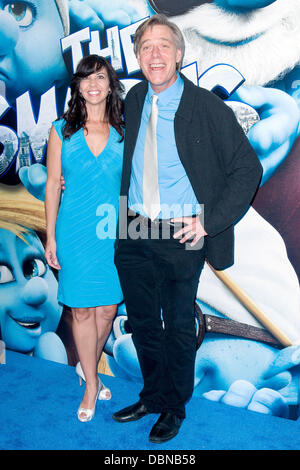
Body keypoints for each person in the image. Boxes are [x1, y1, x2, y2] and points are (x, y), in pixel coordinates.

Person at [112, 14, 262, 443]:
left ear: (179, 54)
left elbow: (247, 169)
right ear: (138, 57)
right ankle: (152, 395)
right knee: (141, 323)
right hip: (135, 230)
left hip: (181, 235)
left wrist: (208, 222)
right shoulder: (136, 98)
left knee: (178, 325)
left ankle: (174, 407)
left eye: (163, 45)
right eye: (145, 47)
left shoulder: (206, 107)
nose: (154, 54)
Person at [45, 54, 124, 422]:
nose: (93, 84)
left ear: (111, 86)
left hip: (112, 233)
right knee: (81, 309)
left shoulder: (125, 131)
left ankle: (86, 367)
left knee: (107, 309)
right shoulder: (61, 130)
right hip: (74, 232)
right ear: (77, 86)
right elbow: (52, 185)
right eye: (86, 78)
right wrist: (50, 237)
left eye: (101, 77)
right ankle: (92, 384)